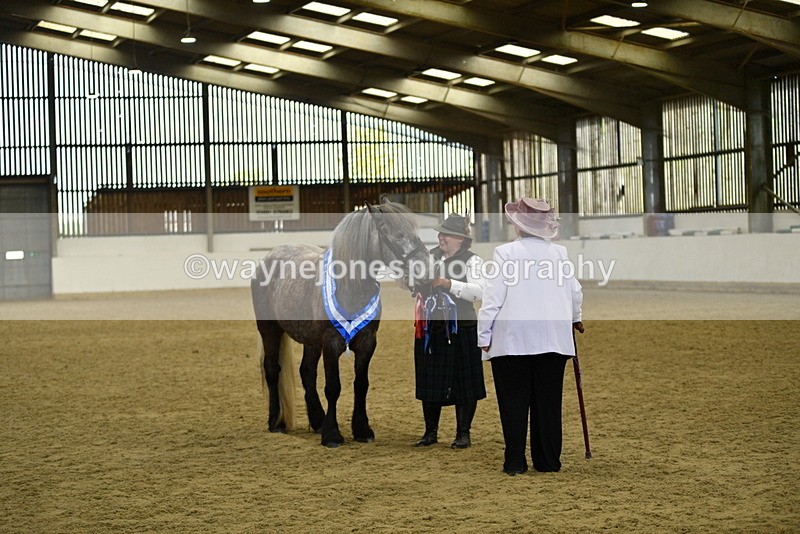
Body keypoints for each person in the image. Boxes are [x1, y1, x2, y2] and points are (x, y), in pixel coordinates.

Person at [477, 198, 584, 475]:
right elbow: (574, 292)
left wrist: (483, 335)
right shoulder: (559, 253)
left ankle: (514, 462)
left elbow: (492, 299)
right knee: (548, 403)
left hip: (514, 340)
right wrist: (576, 317)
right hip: (554, 340)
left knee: (513, 402)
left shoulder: (504, 253)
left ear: (519, 226)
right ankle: (548, 461)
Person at [413, 213, 487, 449]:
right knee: (429, 379)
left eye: (445, 234)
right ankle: (430, 432)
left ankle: (463, 433)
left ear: (460, 239)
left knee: (464, 382)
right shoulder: (428, 257)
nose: (440, 237)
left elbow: (480, 292)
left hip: (462, 328)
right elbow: (412, 285)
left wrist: (448, 284)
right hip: (430, 328)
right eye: (440, 233)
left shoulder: (473, 261)